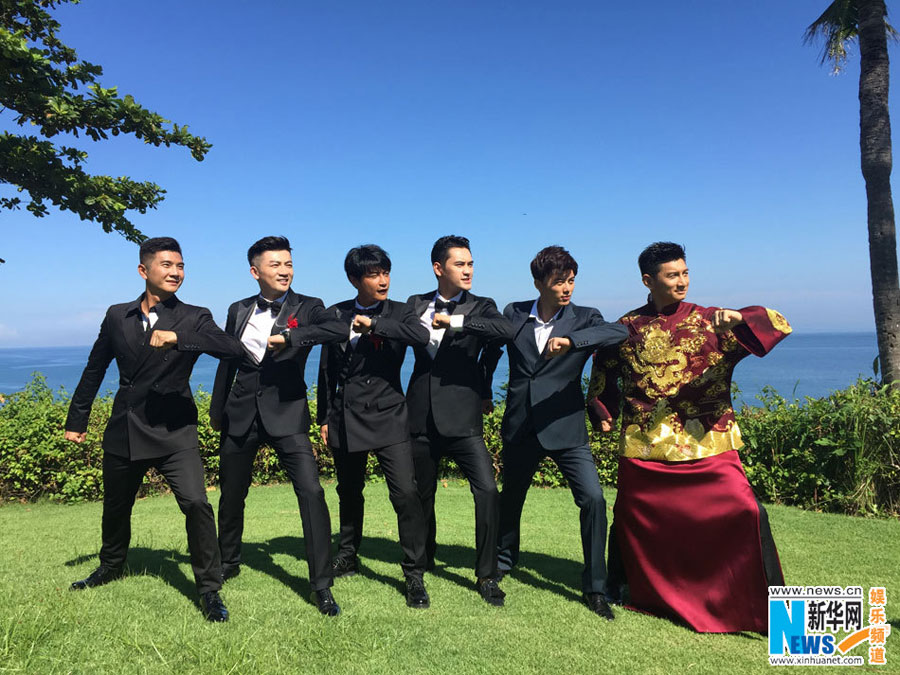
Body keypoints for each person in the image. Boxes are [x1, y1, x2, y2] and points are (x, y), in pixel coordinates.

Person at [588, 241, 789, 634]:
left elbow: (778, 325)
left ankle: (771, 607)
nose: (682, 281)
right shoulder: (625, 327)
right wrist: (602, 412)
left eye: (685, 273)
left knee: (748, 512)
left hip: (707, 443)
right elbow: (604, 374)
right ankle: (621, 584)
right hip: (644, 445)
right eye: (672, 275)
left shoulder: (713, 320)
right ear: (648, 280)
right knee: (629, 518)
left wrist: (742, 318)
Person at [64, 237, 242, 622]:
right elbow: (95, 369)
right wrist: (76, 420)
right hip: (126, 424)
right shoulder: (117, 316)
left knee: (196, 503)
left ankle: (209, 590)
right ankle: (111, 566)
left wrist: (180, 338)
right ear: (144, 270)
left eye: (180, 265)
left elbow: (231, 349)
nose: (176, 272)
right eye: (166, 265)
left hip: (174, 429)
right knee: (115, 506)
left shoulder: (195, 316)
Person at [209, 236, 346, 616]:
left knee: (311, 494)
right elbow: (227, 360)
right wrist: (217, 410)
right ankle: (228, 561)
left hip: (287, 413)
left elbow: (337, 331)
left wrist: (292, 337)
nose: (284, 270)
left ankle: (321, 584)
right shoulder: (238, 309)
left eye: (288, 263)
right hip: (240, 413)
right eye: (275, 265)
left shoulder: (309, 306)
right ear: (255, 272)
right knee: (231, 495)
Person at [496, 245, 627, 620]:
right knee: (511, 499)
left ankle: (596, 586)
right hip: (521, 423)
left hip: (566, 426)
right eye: (558, 282)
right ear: (539, 282)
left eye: (571, 281)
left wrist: (572, 342)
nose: (567, 288)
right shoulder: (515, 312)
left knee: (594, 500)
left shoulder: (586, 318)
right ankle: (504, 561)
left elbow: (617, 332)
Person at [317, 244, 432, 608]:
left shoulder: (402, 311)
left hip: (390, 414)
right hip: (345, 415)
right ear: (354, 279)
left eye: (385, 272)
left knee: (405, 494)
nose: (382, 280)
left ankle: (414, 573)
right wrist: (323, 417)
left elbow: (421, 337)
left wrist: (377, 324)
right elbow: (327, 370)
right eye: (373, 274)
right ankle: (348, 555)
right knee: (348, 491)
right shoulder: (335, 312)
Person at [406, 235, 513, 606]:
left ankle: (486, 574)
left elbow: (504, 331)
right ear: (439, 268)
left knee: (486, 491)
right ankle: (418, 569)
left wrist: (454, 321)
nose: (467, 270)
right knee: (421, 495)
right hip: (419, 413)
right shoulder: (414, 303)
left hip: (464, 416)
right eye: (459, 264)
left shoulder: (483, 306)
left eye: (470, 264)